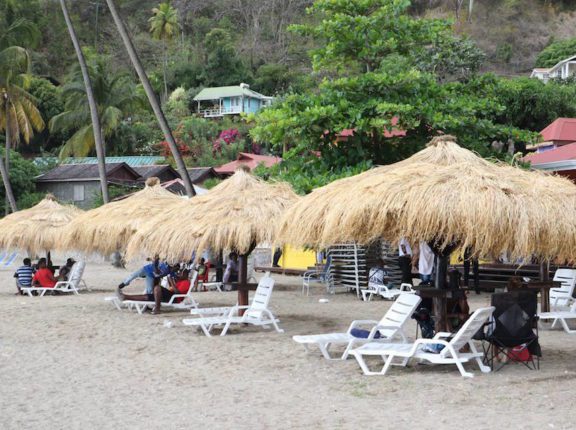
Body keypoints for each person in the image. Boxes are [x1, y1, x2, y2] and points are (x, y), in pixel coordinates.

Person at [117, 268, 191, 314]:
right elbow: (172, 287)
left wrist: (171, 281)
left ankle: (157, 308)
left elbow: (177, 293)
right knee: (148, 296)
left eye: (180, 273)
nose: (178, 274)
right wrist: (170, 280)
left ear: (185, 275)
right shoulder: (181, 281)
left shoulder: (186, 282)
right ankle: (125, 297)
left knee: (157, 288)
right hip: (170, 295)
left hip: (174, 298)